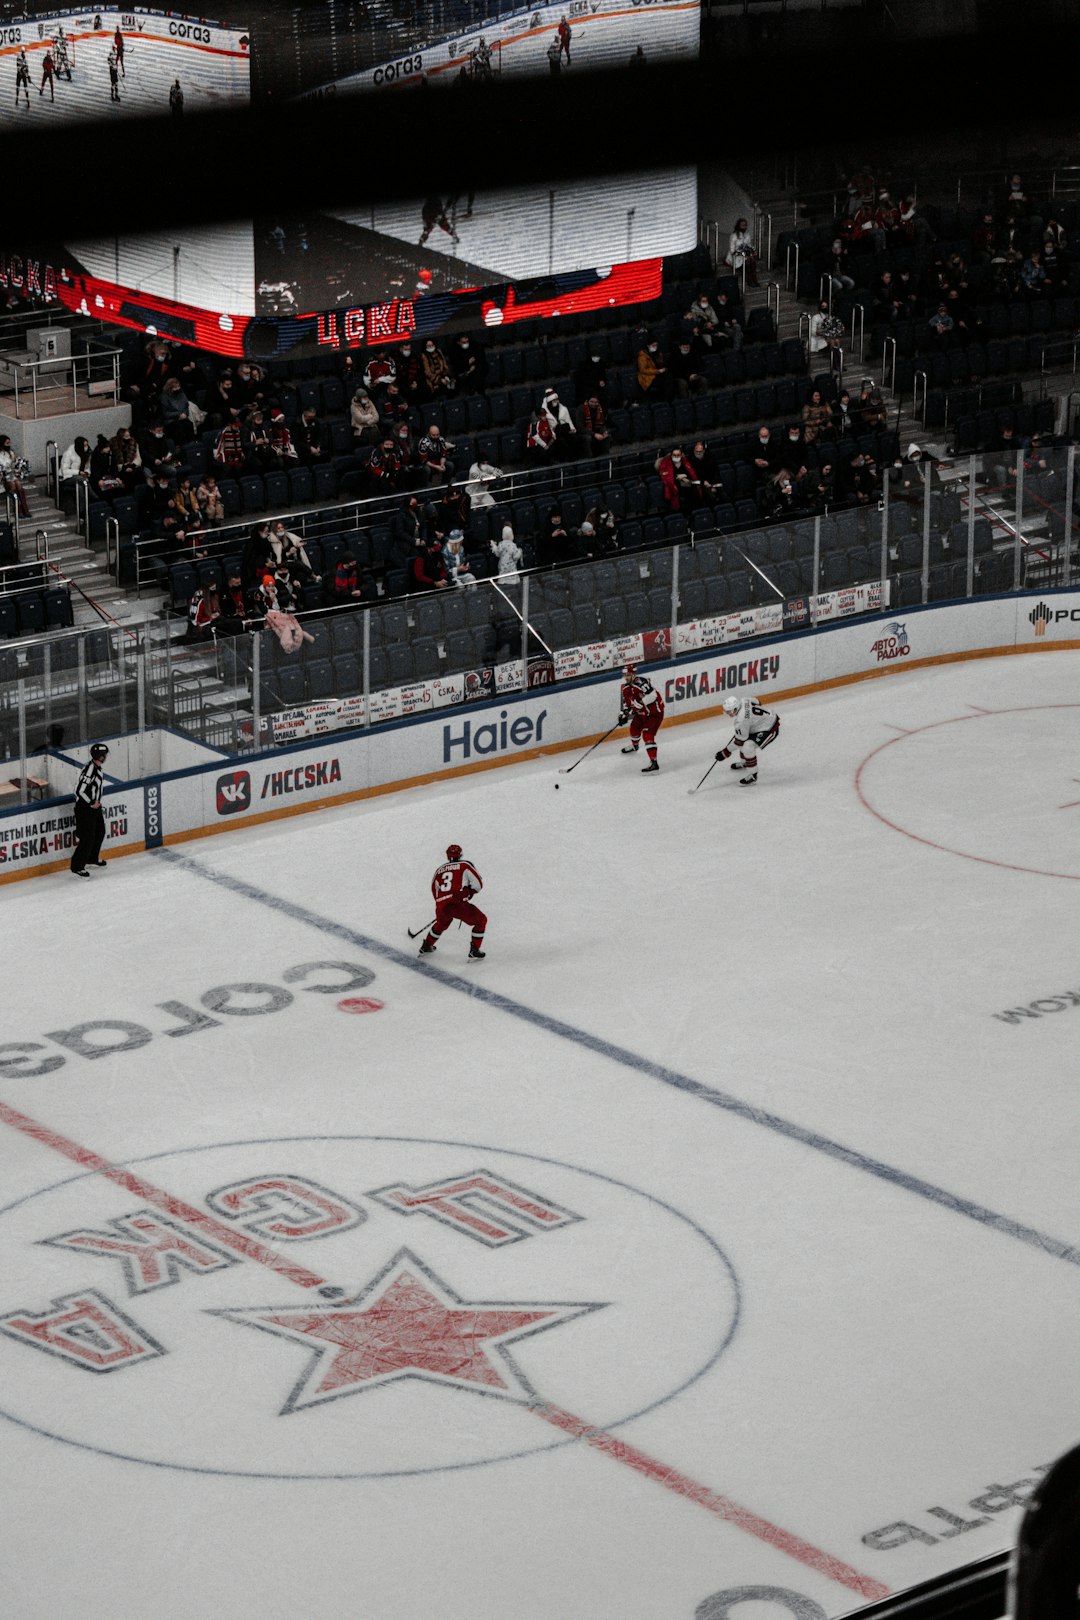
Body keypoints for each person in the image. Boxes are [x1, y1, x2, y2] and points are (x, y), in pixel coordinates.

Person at [419, 844, 487, 959]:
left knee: (441, 924)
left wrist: (442, 904)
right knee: (481, 920)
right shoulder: (465, 865)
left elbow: (434, 888)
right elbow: (478, 884)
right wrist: (468, 892)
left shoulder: (439, 870)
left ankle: (427, 945)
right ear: (460, 854)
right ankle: (474, 949)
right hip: (458, 905)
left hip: (442, 906)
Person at [714, 693, 780, 786]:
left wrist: (725, 752)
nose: (728, 713)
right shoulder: (743, 700)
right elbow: (758, 702)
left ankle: (753, 776)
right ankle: (745, 762)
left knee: (747, 746)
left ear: (736, 708)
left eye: (729, 711)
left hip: (770, 727)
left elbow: (739, 742)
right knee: (744, 739)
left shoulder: (740, 721)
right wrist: (751, 721)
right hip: (766, 719)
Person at [70, 743, 109, 877]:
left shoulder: (97, 768)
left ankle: (92, 858)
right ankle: (77, 866)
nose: (106, 757)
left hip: (95, 807)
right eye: (105, 755)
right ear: (100, 756)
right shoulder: (90, 770)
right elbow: (79, 790)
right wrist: (91, 802)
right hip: (85, 808)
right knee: (87, 838)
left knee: (100, 832)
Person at [618, 661, 664, 773]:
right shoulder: (625, 688)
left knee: (647, 735)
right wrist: (623, 714)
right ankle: (635, 747)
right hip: (641, 713)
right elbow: (627, 704)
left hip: (654, 713)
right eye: (625, 675)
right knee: (634, 728)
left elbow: (653, 696)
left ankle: (654, 763)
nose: (626, 677)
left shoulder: (641, 683)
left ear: (633, 675)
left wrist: (639, 704)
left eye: (628, 675)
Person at [728, 218, 758, 285]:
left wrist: (753, 251)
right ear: (738, 226)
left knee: (751, 259)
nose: (744, 227)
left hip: (746, 254)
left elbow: (749, 245)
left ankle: (754, 278)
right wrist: (741, 253)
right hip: (736, 256)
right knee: (747, 260)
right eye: (742, 225)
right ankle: (749, 279)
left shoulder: (747, 235)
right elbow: (732, 250)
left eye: (745, 225)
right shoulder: (733, 236)